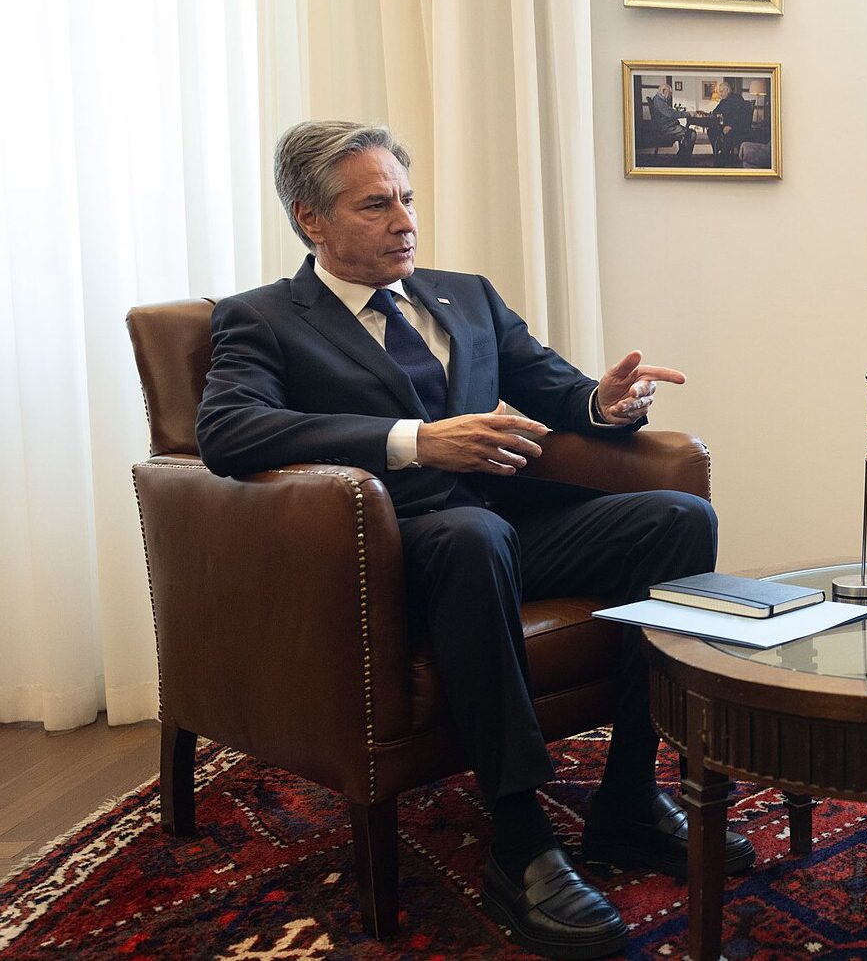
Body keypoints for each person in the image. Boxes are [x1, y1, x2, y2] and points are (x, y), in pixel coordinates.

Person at [197, 121, 756, 960]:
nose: (405, 222)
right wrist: (413, 441)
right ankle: (522, 835)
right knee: (468, 533)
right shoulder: (264, 319)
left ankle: (631, 798)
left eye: (408, 199)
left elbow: (559, 393)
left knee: (678, 517)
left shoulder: (467, 295)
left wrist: (606, 403)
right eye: (376, 204)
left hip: (506, 532)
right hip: (389, 549)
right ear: (311, 219)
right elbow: (228, 430)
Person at [710, 78, 754, 168]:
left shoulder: (737, 98)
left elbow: (741, 116)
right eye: (719, 92)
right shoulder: (723, 101)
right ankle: (717, 153)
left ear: (727, 90)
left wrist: (731, 126)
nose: (720, 94)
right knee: (711, 130)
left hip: (739, 126)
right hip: (726, 126)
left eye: (721, 91)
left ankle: (724, 156)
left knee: (728, 134)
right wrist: (717, 114)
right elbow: (715, 111)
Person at [645, 82, 694, 159]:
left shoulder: (657, 99)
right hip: (665, 128)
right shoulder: (659, 101)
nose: (670, 96)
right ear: (664, 91)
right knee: (691, 133)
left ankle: (682, 155)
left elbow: (669, 113)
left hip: (665, 126)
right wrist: (689, 114)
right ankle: (685, 158)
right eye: (670, 93)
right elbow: (671, 114)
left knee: (686, 131)